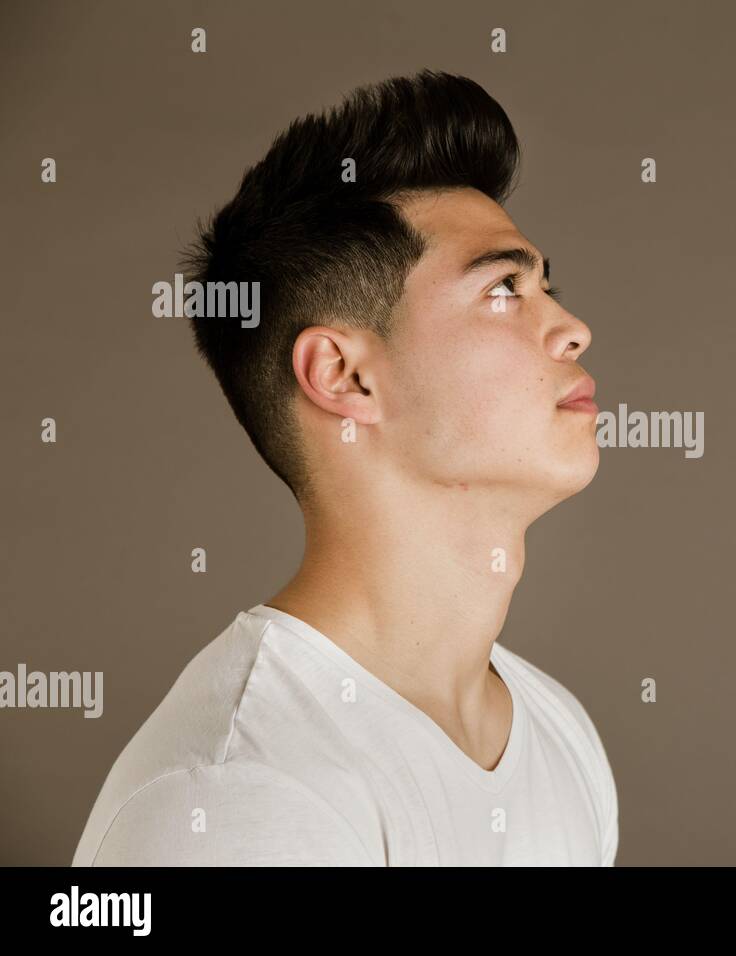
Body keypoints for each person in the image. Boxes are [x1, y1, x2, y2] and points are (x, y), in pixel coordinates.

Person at [71, 70, 617, 866]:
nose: (573, 329)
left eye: (546, 285)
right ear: (344, 376)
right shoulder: (238, 799)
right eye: (504, 288)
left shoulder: (558, 730)